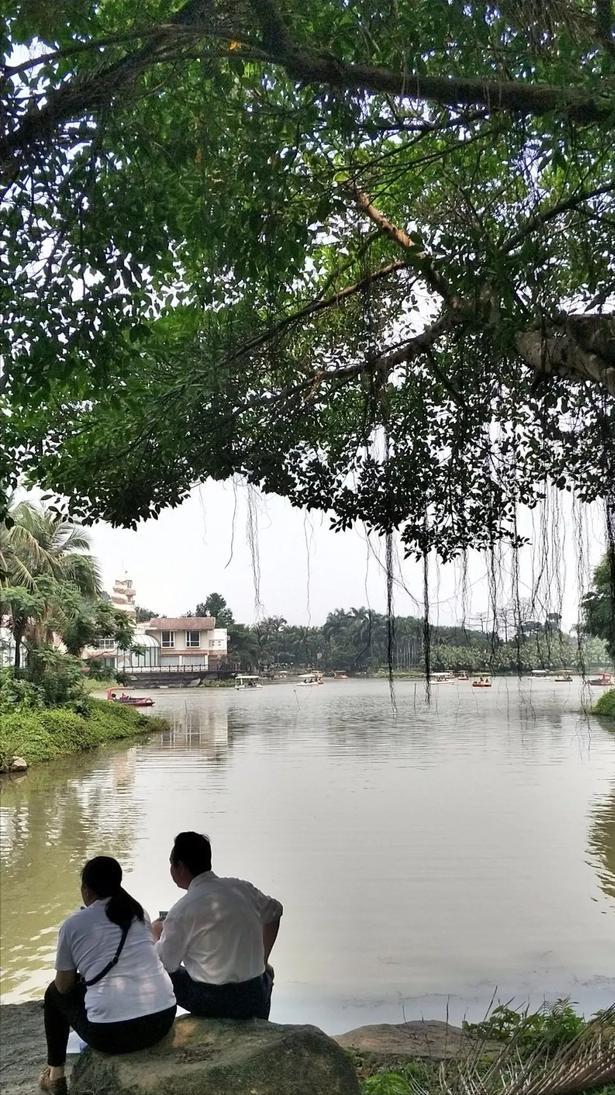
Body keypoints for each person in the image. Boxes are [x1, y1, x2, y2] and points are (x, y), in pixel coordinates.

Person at [41, 856, 176, 1095]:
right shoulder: (139, 913)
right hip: (162, 1021)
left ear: (86, 889)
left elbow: (63, 987)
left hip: (112, 1036)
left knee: (52, 994)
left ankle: (56, 1075)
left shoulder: (74, 924)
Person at [151, 831, 282, 1020]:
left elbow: (164, 965)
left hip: (213, 1002)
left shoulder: (181, 911)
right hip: (254, 995)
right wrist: (263, 959)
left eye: (171, 863)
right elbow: (275, 912)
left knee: (163, 973)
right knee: (266, 973)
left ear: (180, 868)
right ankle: (260, 1021)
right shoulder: (242, 888)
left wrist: (156, 934)